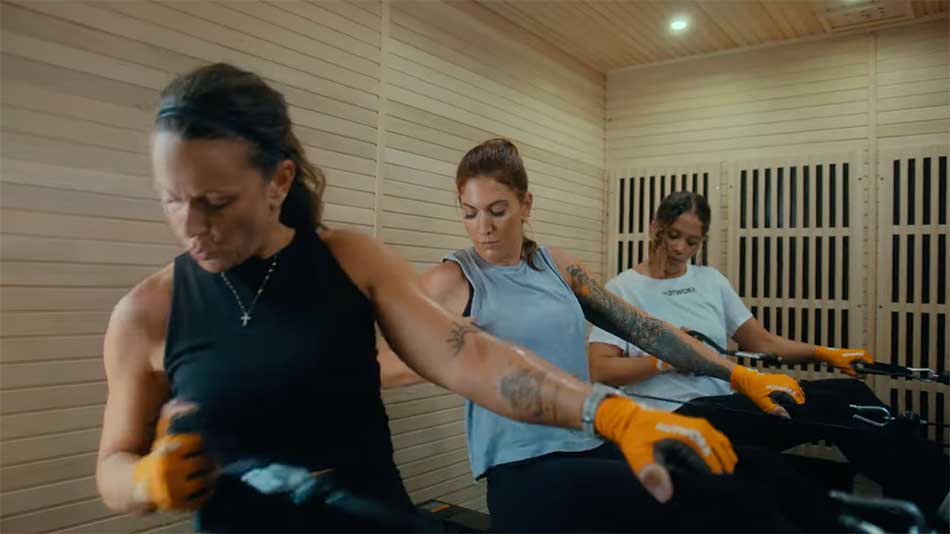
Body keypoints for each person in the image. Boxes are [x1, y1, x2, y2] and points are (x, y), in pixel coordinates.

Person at [95, 64, 741, 532]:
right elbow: (113, 465)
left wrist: (611, 414)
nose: (191, 225)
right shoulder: (147, 313)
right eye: (172, 199)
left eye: (216, 201)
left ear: (278, 181)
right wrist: (144, 480)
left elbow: (471, 356)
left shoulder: (351, 261)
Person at [378, 139, 831, 531]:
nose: (484, 227)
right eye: (470, 213)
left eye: (498, 210)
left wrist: (738, 376)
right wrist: (447, 353)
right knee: (709, 498)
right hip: (524, 467)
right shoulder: (451, 280)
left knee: (752, 471)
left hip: (591, 440)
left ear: (526, 204)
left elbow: (643, 328)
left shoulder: (557, 266)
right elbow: (379, 365)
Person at [588, 190, 950, 525]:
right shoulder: (623, 289)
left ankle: (931, 498)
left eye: (692, 241)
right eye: (672, 236)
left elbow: (762, 342)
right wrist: (667, 358)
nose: (680, 248)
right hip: (675, 418)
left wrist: (824, 353)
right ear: (654, 226)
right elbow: (600, 368)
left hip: (726, 406)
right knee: (835, 409)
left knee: (849, 398)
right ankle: (936, 495)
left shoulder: (710, 280)